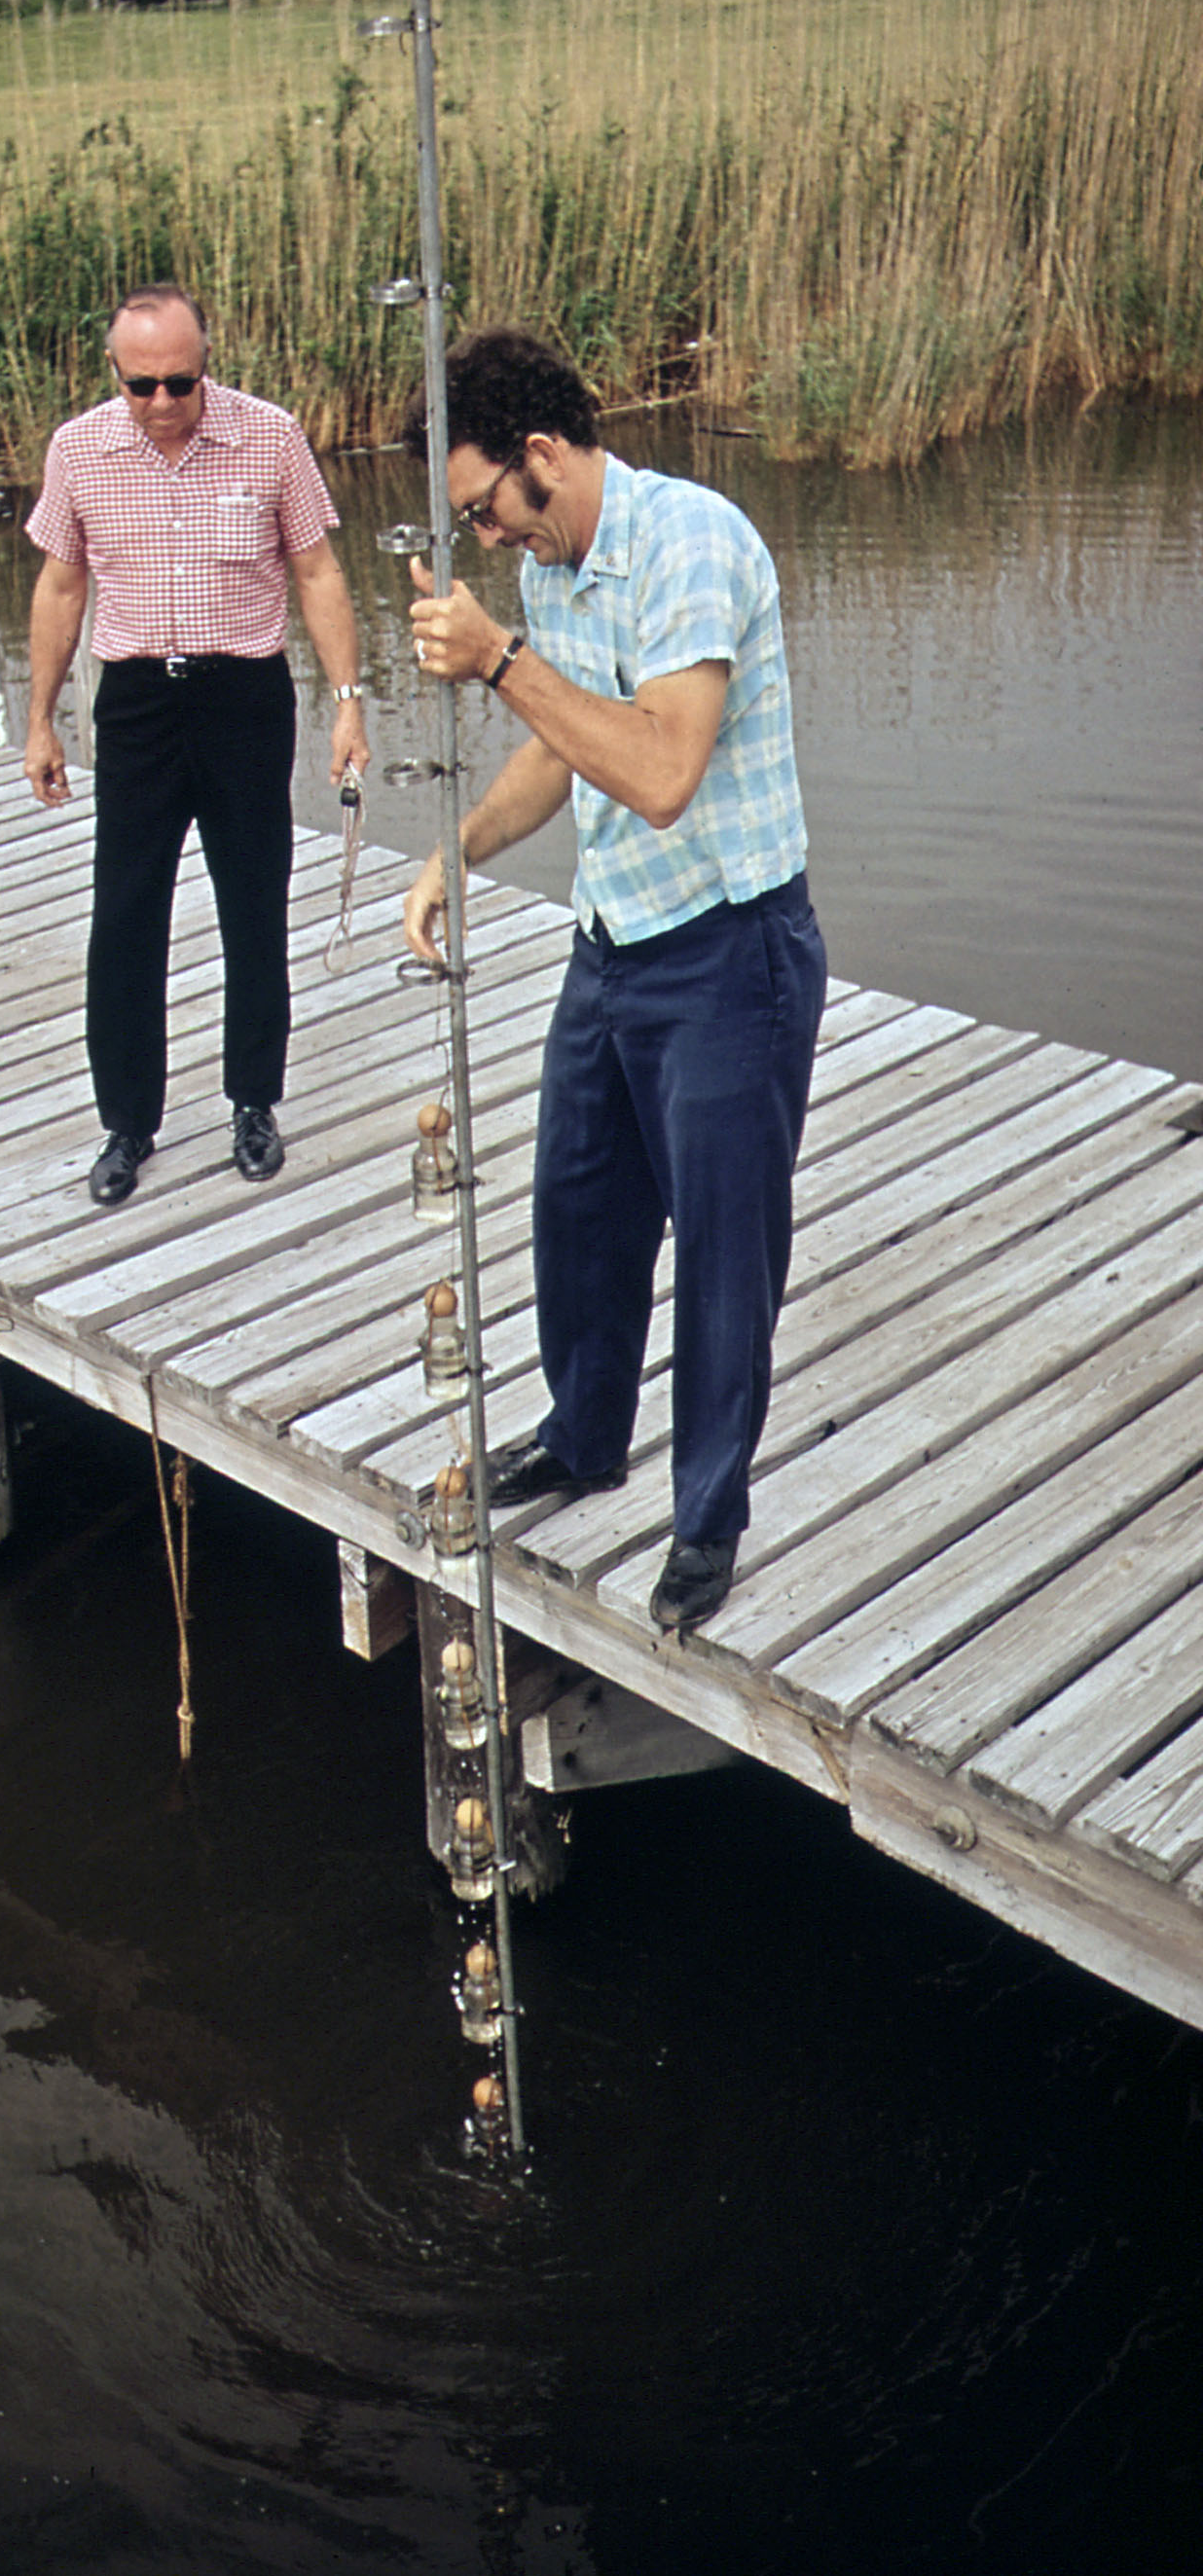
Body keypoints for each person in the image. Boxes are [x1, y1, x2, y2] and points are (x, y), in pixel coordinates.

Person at [401, 327, 826, 1633]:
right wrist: (456, 852)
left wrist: (496, 661)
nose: (486, 538)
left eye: (486, 508)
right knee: (577, 1209)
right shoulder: (562, 565)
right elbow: (562, 747)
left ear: (543, 457)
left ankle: (708, 1519)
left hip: (728, 949)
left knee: (722, 1251)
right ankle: (586, 1434)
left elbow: (653, 772)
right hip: (615, 946)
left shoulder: (687, 545)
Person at [23, 284, 371, 1207]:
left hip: (244, 698)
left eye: (183, 381)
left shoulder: (270, 436)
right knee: (125, 916)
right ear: (116, 375)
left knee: (253, 905)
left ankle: (253, 1103)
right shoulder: (78, 451)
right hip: (138, 702)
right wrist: (39, 719)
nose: (166, 402)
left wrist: (347, 704)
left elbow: (317, 571)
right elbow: (61, 589)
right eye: (144, 386)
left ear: (206, 365)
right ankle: (126, 1124)